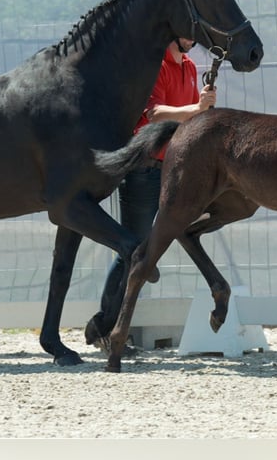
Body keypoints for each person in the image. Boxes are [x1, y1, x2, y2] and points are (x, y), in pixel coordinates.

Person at [85, 37, 216, 352]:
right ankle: (105, 328)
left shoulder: (189, 66)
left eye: (192, 36)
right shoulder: (157, 65)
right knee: (132, 249)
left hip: (170, 168)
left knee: (139, 249)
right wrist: (197, 108)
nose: (190, 40)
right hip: (145, 168)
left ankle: (109, 328)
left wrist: (201, 111)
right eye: (185, 35)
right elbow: (154, 113)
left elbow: (188, 120)